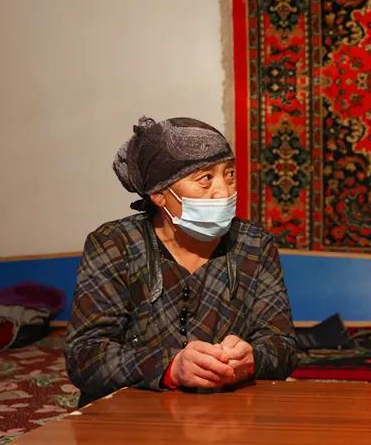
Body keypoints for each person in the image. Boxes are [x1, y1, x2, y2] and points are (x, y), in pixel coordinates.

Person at [66, 117, 298, 406]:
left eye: (229, 174)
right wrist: (171, 367)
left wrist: (252, 359)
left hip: (227, 414)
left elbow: (282, 346)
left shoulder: (254, 244)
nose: (225, 192)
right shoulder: (114, 244)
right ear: (159, 194)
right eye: (205, 179)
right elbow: (85, 356)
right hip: (133, 415)